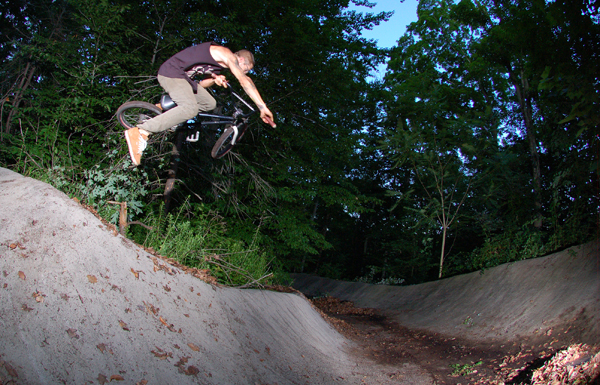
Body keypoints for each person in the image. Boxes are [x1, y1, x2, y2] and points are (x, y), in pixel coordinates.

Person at [124, 42, 276, 166]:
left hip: (184, 80)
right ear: (241, 60)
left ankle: (162, 109)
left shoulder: (218, 65)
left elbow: (201, 84)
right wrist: (262, 107)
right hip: (171, 73)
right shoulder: (226, 53)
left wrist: (214, 80)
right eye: (246, 69)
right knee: (190, 109)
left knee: (209, 103)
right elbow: (244, 80)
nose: (245, 72)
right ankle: (141, 132)